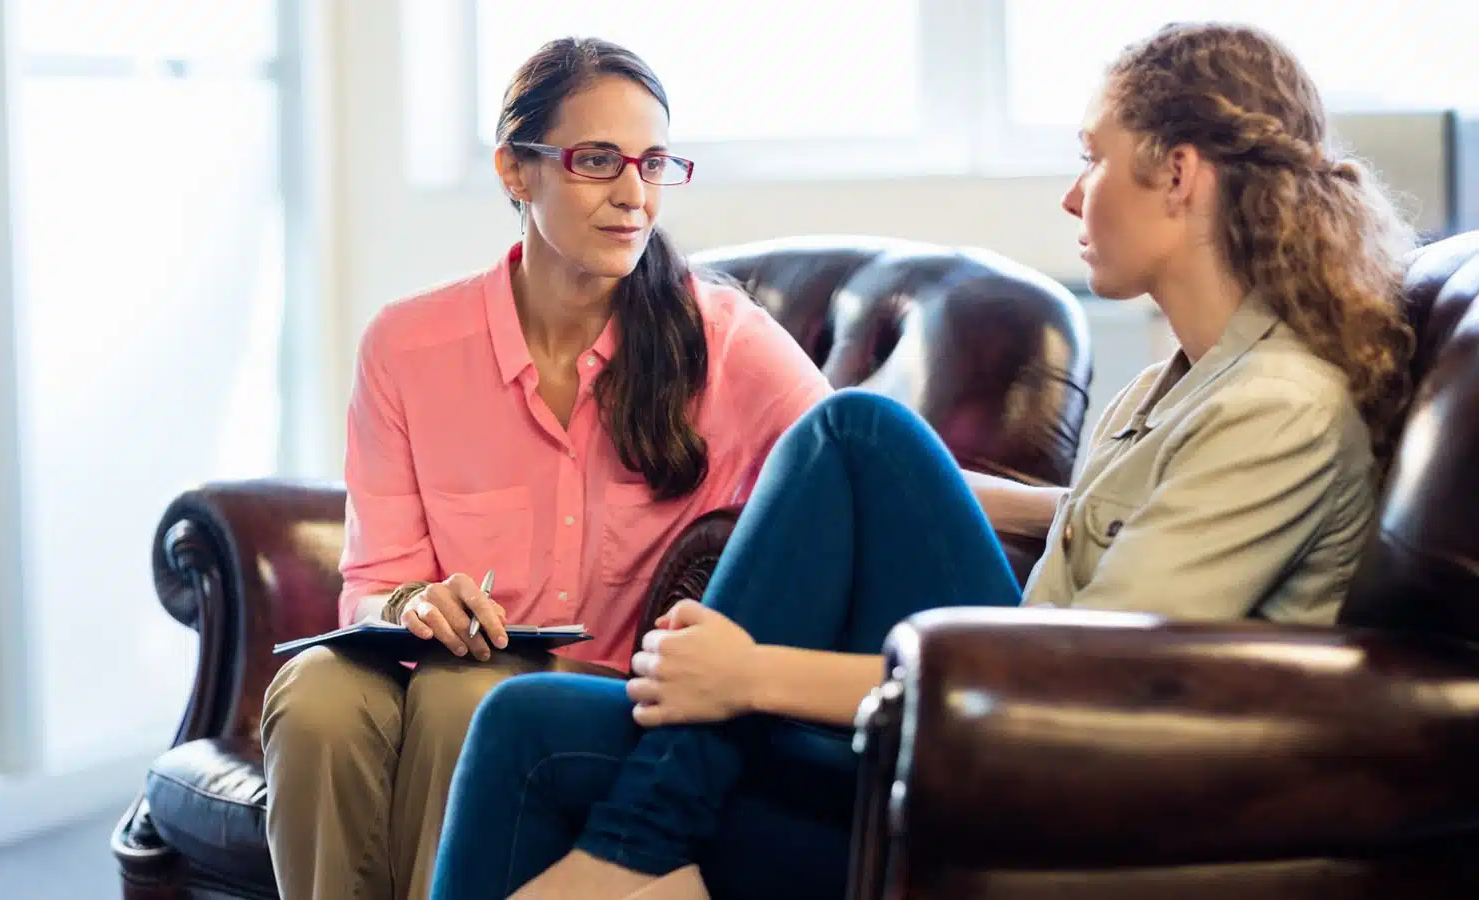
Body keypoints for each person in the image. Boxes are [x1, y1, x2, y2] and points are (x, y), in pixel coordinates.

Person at [428, 21, 1418, 900]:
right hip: (980, 735)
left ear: (1179, 174)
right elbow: (1120, 529)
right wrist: (993, 503)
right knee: (527, 718)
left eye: (1093, 159)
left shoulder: (1278, 409)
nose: (1073, 194)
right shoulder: (1177, 384)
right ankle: (645, 848)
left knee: (858, 431)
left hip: (1055, 795)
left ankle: (640, 848)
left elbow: (1084, 686)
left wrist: (755, 673)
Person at [259, 37, 831, 900]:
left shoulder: (723, 342)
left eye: (652, 163)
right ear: (515, 172)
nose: (634, 195)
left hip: (598, 706)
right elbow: (372, 588)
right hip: (432, 672)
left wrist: (1057, 508)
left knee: (469, 698)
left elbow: (854, 465)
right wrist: (416, 603)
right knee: (315, 698)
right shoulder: (407, 347)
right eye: (597, 161)